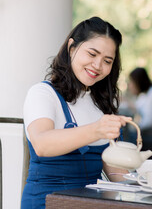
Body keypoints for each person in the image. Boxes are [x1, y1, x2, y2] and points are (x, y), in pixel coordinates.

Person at [21, 17, 130, 209]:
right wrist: (97, 130)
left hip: (90, 205)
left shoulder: (102, 106)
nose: (97, 65)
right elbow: (42, 144)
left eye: (107, 61)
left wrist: (149, 182)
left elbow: (116, 176)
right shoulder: (43, 93)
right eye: (92, 54)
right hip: (45, 203)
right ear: (72, 48)